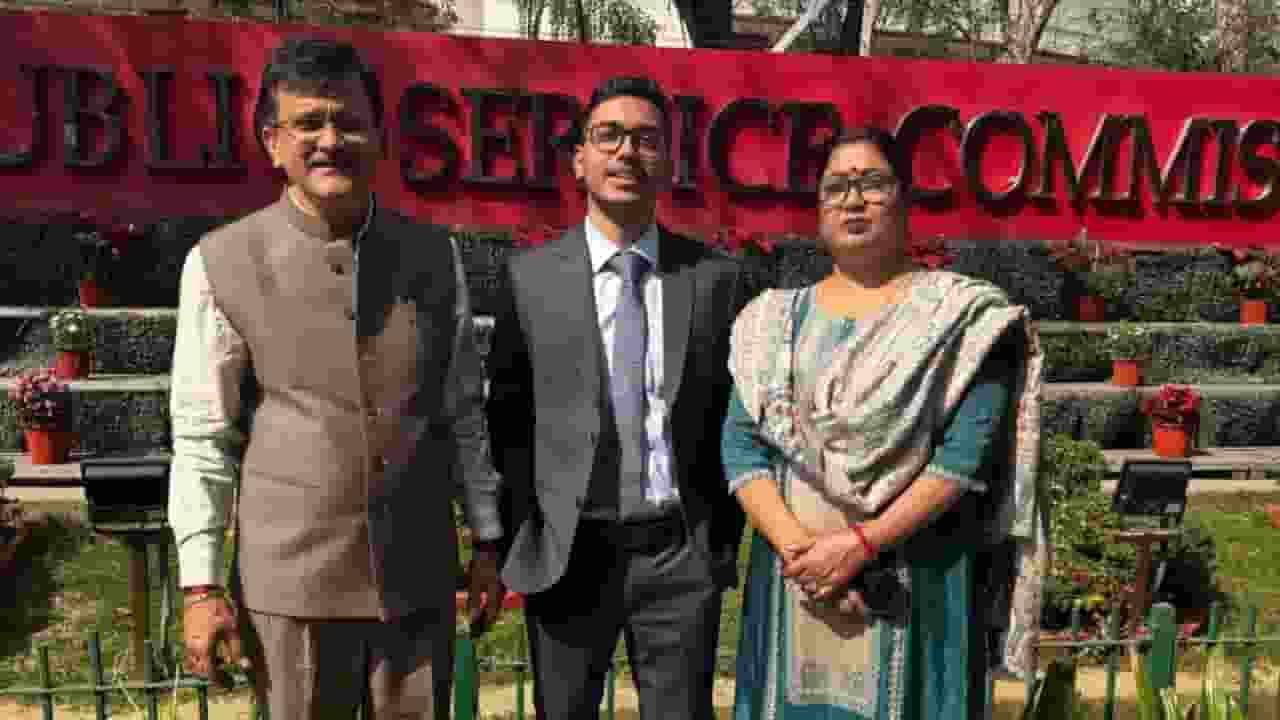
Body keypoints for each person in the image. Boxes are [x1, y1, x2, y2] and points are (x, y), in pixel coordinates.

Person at [167, 37, 503, 719]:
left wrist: (487, 539)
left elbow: (463, 411)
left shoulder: (435, 258)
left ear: (378, 135)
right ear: (272, 142)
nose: (330, 140)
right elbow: (203, 437)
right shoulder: (221, 263)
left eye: (349, 121)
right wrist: (201, 587)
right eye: (309, 123)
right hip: (289, 591)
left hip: (416, 581)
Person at [722, 127, 1048, 720]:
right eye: (836, 187)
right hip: (797, 582)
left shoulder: (963, 320)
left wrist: (860, 545)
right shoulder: (767, 325)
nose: (853, 200)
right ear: (817, 211)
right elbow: (741, 450)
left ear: (905, 200)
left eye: (872, 183)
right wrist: (809, 557)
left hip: (918, 576)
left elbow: (963, 456)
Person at [480, 76, 748, 720]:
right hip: (571, 555)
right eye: (609, 136)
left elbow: (733, 418)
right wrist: (514, 539)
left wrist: (717, 546)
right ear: (579, 159)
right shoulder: (530, 279)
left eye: (646, 139)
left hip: (678, 554)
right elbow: (508, 423)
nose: (627, 152)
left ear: (668, 162)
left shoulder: (714, 280)